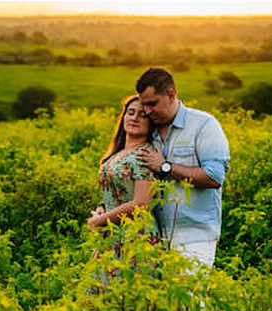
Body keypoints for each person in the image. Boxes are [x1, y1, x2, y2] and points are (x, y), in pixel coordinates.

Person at [134, 67, 230, 270]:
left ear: (171, 95)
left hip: (194, 236)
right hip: (154, 239)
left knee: (189, 301)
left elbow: (214, 178)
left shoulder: (204, 125)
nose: (148, 111)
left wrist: (165, 167)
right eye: (145, 105)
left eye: (153, 104)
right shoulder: (148, 130)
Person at [87, 94, 160, 276]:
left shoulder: (144, 154)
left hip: (134, 235)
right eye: (131, 112)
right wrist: (102, 209)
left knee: (127, 296)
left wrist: (98, 222)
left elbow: (141, 204)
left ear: (151, 122)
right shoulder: (118, 152)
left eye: (142, 115)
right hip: (112, 231)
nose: (135, 118)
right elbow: (116, 193)